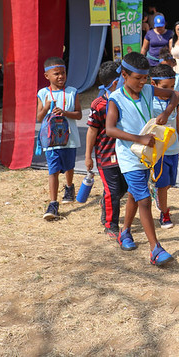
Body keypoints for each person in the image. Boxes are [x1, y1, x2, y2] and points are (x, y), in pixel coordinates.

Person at [105, 52, 179, 266]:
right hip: (129, 156)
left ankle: (125, 232)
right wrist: (139, 138)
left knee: (135, 195)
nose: (142, 82)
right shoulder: (115, 99)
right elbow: (110, 129)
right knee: (144, 199)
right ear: (124, 74)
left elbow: (174, 94)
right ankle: (155, 249)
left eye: (145, 78)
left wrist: (167, 112)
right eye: (137, 78)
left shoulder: (148, 90)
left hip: (148, 154)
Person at [85, 61, 127, 238]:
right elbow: (92, 130)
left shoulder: (127, 99)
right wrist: (88, 156)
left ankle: (106, 201)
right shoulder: (99, 104)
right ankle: (111, 224)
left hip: (125, 154)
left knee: (124, 187)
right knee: (112, 190)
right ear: (116, 82)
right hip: (106, 155)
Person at [37, 57, 82, 220]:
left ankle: (69, 186)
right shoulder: (43, 94)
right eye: (56, 74)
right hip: (51, 141)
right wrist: (47, 108)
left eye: (63, 73)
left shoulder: (72, 92)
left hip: (69, 138)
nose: (61, 76)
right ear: (47, 75)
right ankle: (53, 203)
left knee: (69, 166)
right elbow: (39, 117)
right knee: (53, 170)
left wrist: (65, 113)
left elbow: (79, 114)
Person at [149, 64, 179, 229]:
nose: (170, 90)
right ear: (154, 85)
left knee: (170, 182)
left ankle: (157, 191)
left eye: (172, 86)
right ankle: (164, 214)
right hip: (158, 152)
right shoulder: (150, 103)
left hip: (173, 150)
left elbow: (177, 120)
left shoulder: (174, 100)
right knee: (163, 185)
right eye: (165, 87)